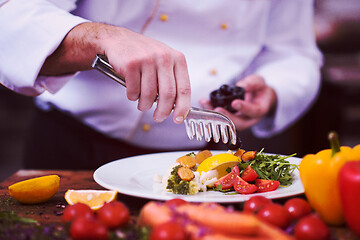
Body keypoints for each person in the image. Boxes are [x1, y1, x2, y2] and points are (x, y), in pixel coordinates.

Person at [0, 0, 322, 169]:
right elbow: (11, 16)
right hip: (70, 147)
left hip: (200, 158)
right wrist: (100, 37)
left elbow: (294, 52)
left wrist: (275, 88)